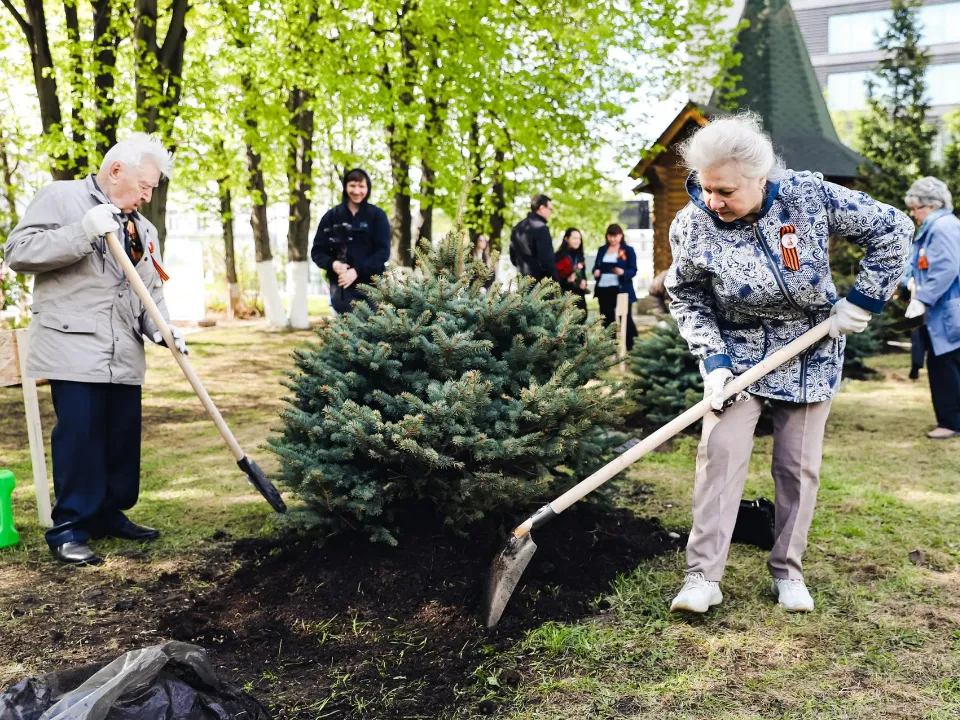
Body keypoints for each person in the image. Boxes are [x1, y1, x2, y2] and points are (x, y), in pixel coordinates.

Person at [665, 114, 912, 614]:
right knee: (721, 455)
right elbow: (686, 293)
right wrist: (713, 361)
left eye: (726, 191)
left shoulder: (809, 197)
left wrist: (863, 301)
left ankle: (787, 571)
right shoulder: (692, 223)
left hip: (810, 349)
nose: (713, 201)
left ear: (762, 177)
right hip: (735, 356)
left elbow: (894, 228)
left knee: (797, 466)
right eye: (706, 188)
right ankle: (702, 576)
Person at [4, 133, 186, 566]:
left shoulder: (143, 228)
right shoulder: (60, 198)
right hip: (73, 344)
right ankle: (68, 526)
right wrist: (81, 233)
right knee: (80, 438)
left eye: (153, 189)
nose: (148, 195)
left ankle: (107, 514)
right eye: (144, 185)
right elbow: (18, 252)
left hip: (122, 349)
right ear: (116, 170)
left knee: (120, 441)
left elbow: (149, 290)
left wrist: (162, 328)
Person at [902, 177, 960, 439]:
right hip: (942, 314)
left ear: (932, 205)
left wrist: (923, 298)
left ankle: (950, 423)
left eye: (916, 208)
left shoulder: (944, 226)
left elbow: (947, 267)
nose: (913, 214)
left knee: (944, 365)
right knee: (941, 364)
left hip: (947, 314)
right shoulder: (936, 226)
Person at [311, 169, 390, 314]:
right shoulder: (331, 217)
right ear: (346, 187)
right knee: (344, 333)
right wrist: (333, 264)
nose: (357, 191)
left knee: (372, 332)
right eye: (353, 186)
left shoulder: (377, 216)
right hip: (340, 290)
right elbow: (317, 251)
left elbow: (383, 252)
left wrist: (356, 271)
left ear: (368, 188)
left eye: (361, 186)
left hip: (372, 288)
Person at [592, 223, 638, 350]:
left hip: (622, 290)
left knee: (625, 319)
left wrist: (623, 272)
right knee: (607, 319)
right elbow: (596, 267)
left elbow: (633, 270)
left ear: (621, 236)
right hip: (603, 289)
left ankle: (632, 347)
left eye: (615, 236)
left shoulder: (628, 250)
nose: (612, 239)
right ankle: (609, 349)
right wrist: (595, 272)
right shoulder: (602, 250)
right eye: (610, 236)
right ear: (606, 236)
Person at [509, 194, 557, 281]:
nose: (551, 212)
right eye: (550, 209)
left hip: (522, 282)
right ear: (542, 208)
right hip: (541, 285)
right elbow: (546, 261)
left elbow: (513, 258)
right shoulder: (541, 228)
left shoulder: (517, 228)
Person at [555, 227, 588, 314]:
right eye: (575, 238)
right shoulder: (558, 256)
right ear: (566, 238)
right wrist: (567, 280)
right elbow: (554, 278)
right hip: (565, 296)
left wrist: (584, 282)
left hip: (579, 295)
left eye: (579, 238)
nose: (578, 241)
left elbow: (583, 273)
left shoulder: (580, 256)